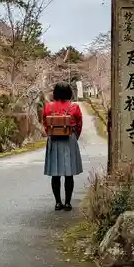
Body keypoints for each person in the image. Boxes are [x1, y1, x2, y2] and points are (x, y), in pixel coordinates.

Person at [42, 82, 83, 211]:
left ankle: (58, 202)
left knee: (55, 173)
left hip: (54, 140)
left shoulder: (48, 107)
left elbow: (45, 123)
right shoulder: (74, 107)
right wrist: (74, 136)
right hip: (69, 139)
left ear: (55, 93)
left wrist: (51, 133)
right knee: (68, 173)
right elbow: (79, 124)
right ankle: (68, 203)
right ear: (69, 93)